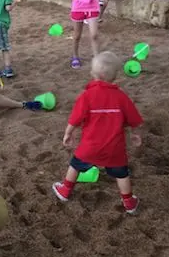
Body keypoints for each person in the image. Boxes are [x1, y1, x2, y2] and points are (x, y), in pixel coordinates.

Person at [52, 51, 143, 215]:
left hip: (90, 146)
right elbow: (133, 118)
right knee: (122, 173)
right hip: (114, 147)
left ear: (93, 74)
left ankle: (65, 190)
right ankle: (129, 202)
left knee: (75, 165)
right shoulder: (121, 97)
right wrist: (135, 133)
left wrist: (68, 133)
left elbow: (75, 118)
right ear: (115, 77)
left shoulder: (87, 96)